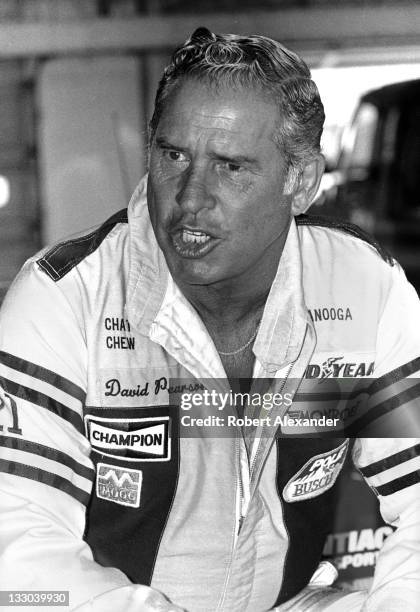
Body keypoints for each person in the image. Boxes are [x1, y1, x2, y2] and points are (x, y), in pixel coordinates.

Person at [0, 27, 419, 612]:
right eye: (174, 155)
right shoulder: (67, 297)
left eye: (231, 167)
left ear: (299, 182)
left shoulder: (364, 289)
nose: (191, 197)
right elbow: (18, 552)